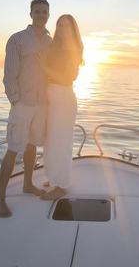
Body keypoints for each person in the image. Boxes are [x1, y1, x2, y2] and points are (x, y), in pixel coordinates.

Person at [0, 0, 52, 217]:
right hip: (23, 103)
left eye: (44, 12)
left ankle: (28, 184)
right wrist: (15, 101)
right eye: (37, 11)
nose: (41, 15)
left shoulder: (50, 41)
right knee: (13, 148)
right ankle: (1, 198)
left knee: (32, 146)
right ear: (30, 14)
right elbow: (9, 75)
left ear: (49, 15)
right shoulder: (17, 39)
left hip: (42, 103)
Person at [36, 14, 84, 200]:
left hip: (63, 98)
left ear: (73, 29)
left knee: (61, 143)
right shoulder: (55, 46)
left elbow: (68, 78)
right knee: (50, 141)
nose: (63, 29)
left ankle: (61, 186)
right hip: (52, 96)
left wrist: (43, 66)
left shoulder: (74, 48)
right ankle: (53, 177)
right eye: (60, 26)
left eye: (67, 26)